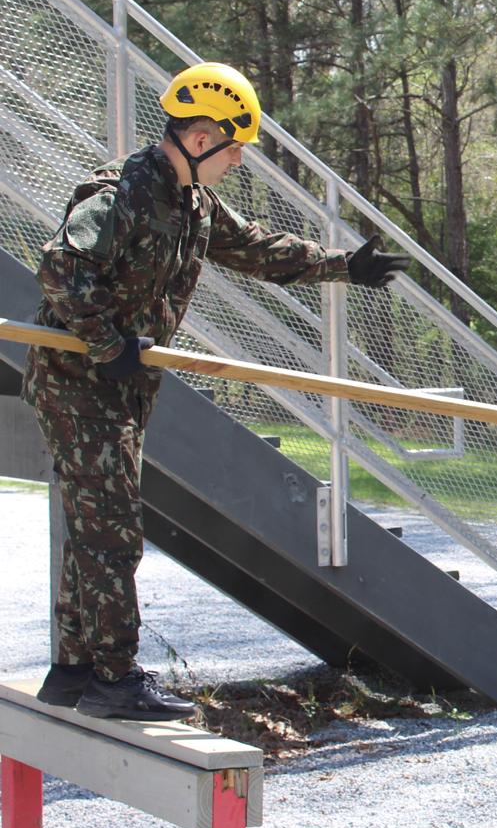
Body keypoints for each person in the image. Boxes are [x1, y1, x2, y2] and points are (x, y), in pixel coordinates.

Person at [26, 62, 409, 721]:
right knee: (113, 533)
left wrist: (345, 265)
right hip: (77, 383)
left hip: (120, 389)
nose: (238, 161)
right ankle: (115, 679)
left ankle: (73, 671)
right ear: (200, 138)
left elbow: (257, 249)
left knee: (93, 528)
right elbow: (60, 267)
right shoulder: (122, 192)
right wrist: (107, 342)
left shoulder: (193, 203)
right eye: (234, 148)